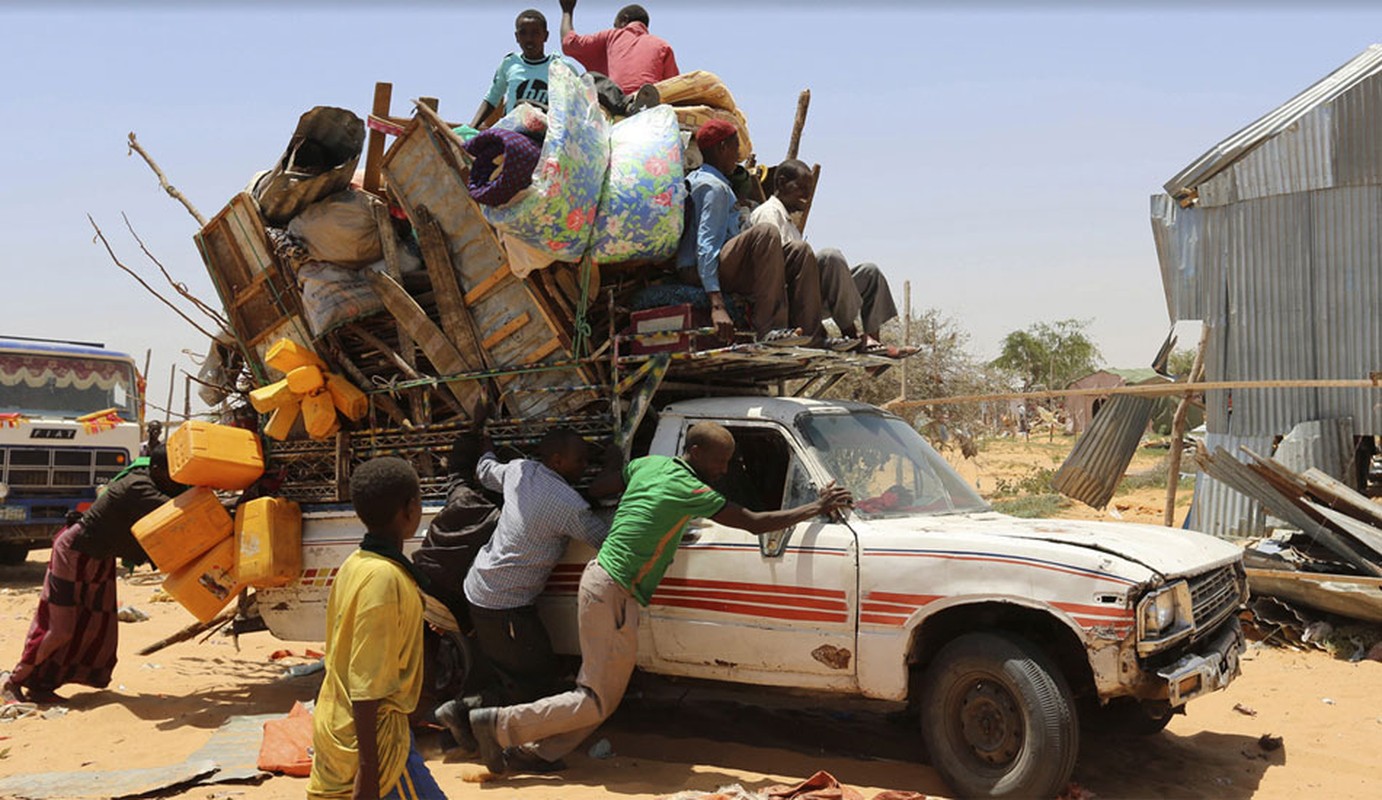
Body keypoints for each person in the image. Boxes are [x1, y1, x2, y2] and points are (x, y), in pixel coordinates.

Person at [466, 422, 852, 776]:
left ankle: (537, 753)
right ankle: (497, 724)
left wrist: (615, 460)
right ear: (695, 452)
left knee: (603, 696)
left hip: (605, 586)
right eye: (719, 462)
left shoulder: (648, 466)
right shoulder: (691, 489)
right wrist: (816, 507)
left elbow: (601, 487)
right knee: (597, 699)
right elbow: (752, 521)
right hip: (613, 592)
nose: (723, 470)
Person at [434, 429, 618, 764]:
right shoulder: (567, 505)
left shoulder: (520, 470)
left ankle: (459, 716)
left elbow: (485, 470)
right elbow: (605, 539)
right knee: (536, 680)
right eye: (580, 459)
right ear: (557, 460)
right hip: (506, 604)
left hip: (479, 588)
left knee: (509, 669)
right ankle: (517, 749)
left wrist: (487, 443)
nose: (584, 465)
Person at [307, 458, 445, 800]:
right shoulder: (383, 579)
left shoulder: (356, 564)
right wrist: (369, 771)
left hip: (342, 729)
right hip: (377, 747)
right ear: (410, 509)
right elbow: (366, 683)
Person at [2, 445, 183, 704]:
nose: (175, 479)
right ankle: (14, 681)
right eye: (170, 473)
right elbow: (176, 511)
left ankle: (42, 684)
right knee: (60, 627)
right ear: (156, 470)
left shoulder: (149, 481)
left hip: (98, 556)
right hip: (75, 551)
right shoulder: (137, 486)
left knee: (92, 624)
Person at [676, 119, 826, 347]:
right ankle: (769, 329)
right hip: (698, 269)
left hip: (723, 264)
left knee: (799, 250)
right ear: (722, 147)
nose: (737, 155)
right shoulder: (712, 188)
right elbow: (706, 245)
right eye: (735, 148)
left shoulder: (718, 184)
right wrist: (717, 305)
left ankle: (813, 336)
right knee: (765, 233)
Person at [751, 159, 906, 354]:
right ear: (782, 183)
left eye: (810, 189)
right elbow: (774, 272)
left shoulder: (789, 221)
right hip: (791, 300)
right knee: (830, 257)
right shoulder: (769, 214)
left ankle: (873, 341)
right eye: (801, 188)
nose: (807, 195)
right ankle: (852, 335)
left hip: (809, 294)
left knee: (870, 272)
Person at [470, 9, 583, 129]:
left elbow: (578, 104)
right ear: (517, 37)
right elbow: (492, 99)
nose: (529, 39)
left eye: (535, 33)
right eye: (523, 33)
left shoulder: (560, 67)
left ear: (546, 36)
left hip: (546, 137)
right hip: (513, 133)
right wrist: (471, 127)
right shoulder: (510, 64)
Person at [559, 0, 676, 115]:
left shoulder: (613, 35)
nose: (615, 28)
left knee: (590, 78)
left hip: (619, 104)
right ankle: (636, 105)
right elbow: (674, 85)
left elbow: (569, 44)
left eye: (616, 25)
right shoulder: (662, 45)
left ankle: (629, 107)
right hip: (651, 102)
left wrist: (567, 10)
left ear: (624, 20)